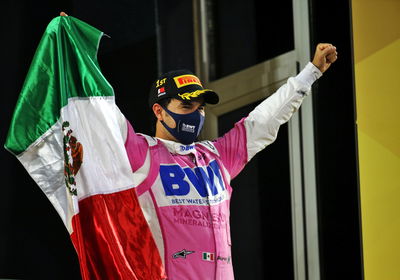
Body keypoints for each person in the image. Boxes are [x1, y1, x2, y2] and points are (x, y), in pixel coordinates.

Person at [123, 45, 337, 279]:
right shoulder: (140, 152)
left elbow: (264, 120)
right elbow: (99, 119)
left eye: (200, 108)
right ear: (159, 111)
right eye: (186, 106)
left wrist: (311, 72)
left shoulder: (217, 156)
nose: (196, 115)